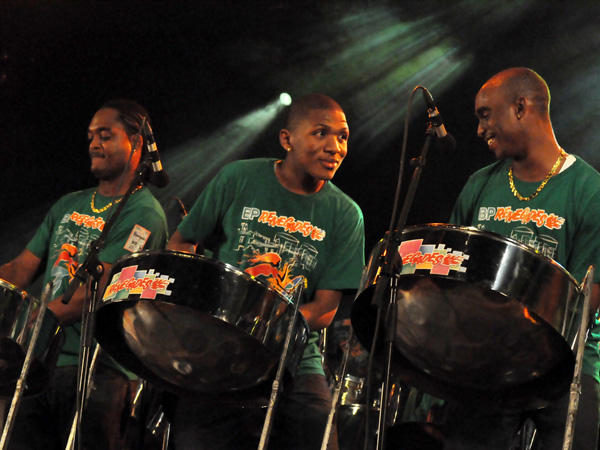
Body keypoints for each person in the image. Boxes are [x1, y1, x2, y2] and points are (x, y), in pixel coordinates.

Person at [166, 93, 365, 450]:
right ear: (287, 139)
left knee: (319, 428)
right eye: (321, 133)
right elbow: (181, 243)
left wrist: (264, 324)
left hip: (293, 356)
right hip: (218, 346)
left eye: (343, 136)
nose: (334, 146)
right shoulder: (238, 177)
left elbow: (324, 308)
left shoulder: (346, 214)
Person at [0, 99, 168, 450]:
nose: (93, 144)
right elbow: (20, 268)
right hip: (37, 362)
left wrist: (25, 331)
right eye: (91, 135)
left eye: (105, 135)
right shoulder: (69, 203)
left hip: (95, 370)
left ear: (137, 142)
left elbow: (97, 292)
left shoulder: (145, 214)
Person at [446, 67, 600, 449]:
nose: (480, 129)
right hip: (486, 362)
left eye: (485, 114)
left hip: (566, 367)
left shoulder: (590, 190)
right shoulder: (479, 184)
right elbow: (449, 270)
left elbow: (587, 297)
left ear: (520, 107)